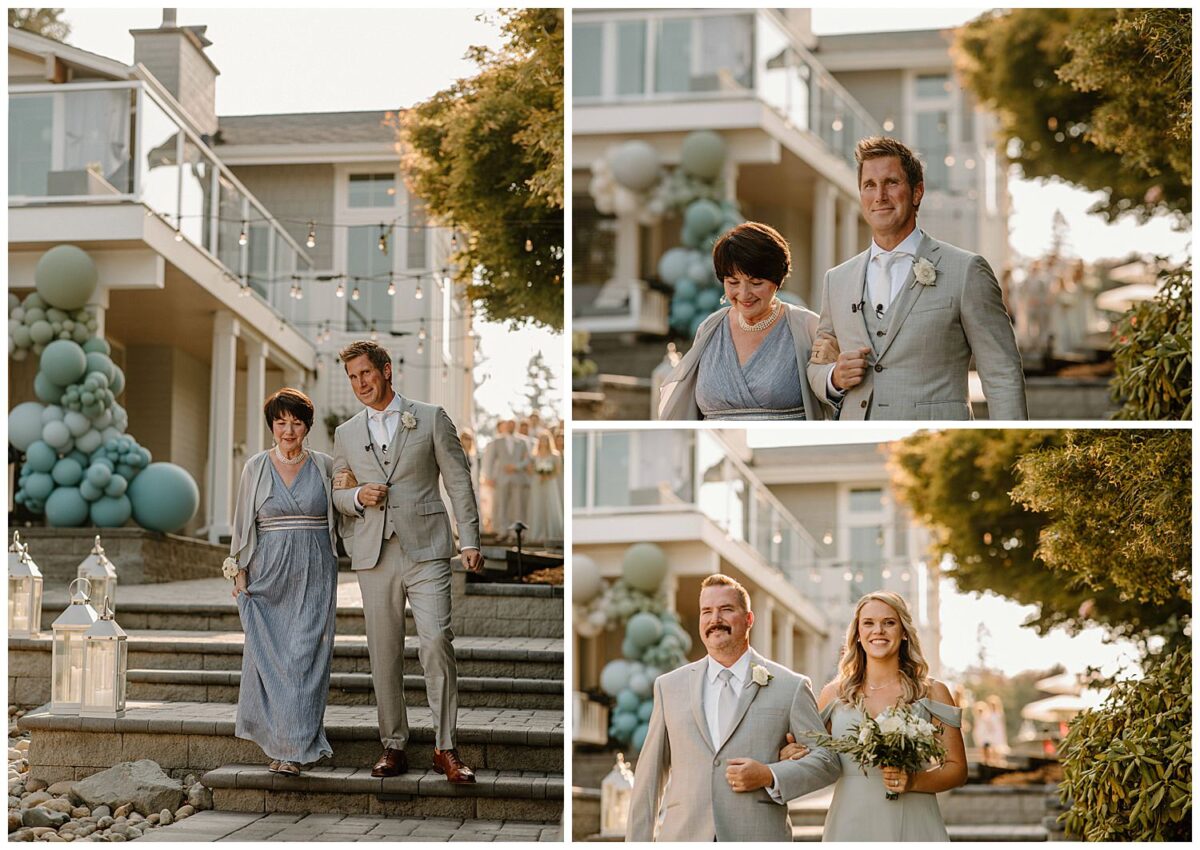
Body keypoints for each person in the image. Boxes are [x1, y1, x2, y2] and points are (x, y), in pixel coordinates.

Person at [330, 340, 483, 783]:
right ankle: (393, 744)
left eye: (366, 374)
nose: (360, 384)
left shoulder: (431, 417)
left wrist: (469, 538)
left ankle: (445, 747)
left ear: (386, 370)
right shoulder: (347, 433)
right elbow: (338, 493)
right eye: (353, 377)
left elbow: (459, 481)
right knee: (384, 653)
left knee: (436, 641)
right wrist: (357, 496)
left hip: (428, 549)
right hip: (374, 553)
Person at [806, 136, 1027, 420]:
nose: (879, 196)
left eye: (891, 183)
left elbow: (1002, 373)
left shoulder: (966, 270)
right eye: (869, 185)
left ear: (917, 192)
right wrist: (834, 377)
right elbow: (817, 363)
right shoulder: (836, 280)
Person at [626, 574, 840, 842]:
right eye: (707, 611)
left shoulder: (790, 686)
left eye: (726, 609)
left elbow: (827, 761)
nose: (715, 619)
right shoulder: (668, 687)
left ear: (749, 619)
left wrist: (769, 775)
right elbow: (648, 779)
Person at [780, 591, 967, 841]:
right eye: (868, 623)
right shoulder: (834, 694)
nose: (878, 630)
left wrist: (913, 782)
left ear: (903, 632)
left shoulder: (932, 692)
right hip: (850, 822)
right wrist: (791, 755)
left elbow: (958, 769)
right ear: (857, 635)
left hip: (915, 821)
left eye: (889, 623)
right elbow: (817, 761)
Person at [227, 388, 338, 777]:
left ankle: (296, 746)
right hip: (267, 573)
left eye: (296, 422)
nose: (288, 430)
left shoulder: (325, 465)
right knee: (270, 659)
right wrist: (239, 571)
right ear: (272, 426)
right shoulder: (255, 467)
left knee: (305, 658)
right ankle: (280, 745)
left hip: (315, 570)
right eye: (281, 422)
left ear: (307, 425)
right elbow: (243, 524)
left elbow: (345, 507)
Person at [659, 222, 829, 420]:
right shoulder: (709, 328)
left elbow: (834, 392)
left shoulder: (807, 326)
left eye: (756, 283)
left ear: (777, 281)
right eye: (732, 282)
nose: (744, 294)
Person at [482, 419, 529, 542]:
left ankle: (516, 533)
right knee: (502, 505)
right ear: (505, 427)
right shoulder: (497, 441)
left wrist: (516, 466)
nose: (510, 427)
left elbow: (527, 460)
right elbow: (490, 460)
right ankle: (502, 532)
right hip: (501, 479)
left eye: (513, 425)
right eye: (508, 425)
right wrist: (489, 476)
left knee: (517, 506)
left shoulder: (523, 441)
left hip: (517, 477)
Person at [526, 430, 563, 543]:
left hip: (550, 483)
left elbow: (557, 470)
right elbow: (529, 468)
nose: (543, 442)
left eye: (545, 440)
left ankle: (551, 534)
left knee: (550, 505)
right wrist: (537, 473)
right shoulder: (534, 455)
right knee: (537, 505)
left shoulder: (555, 455)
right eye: (541, 440)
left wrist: (547, 475)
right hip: (537, 483)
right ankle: (536, 534)